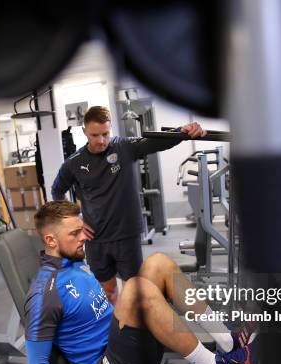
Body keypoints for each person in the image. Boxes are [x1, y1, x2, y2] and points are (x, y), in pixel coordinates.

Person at [25, 201, 258, 364]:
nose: (83, 237)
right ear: (51, 240)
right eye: (74, 233)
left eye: (81, 230)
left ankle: (228, 341)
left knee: (158, 263)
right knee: (139, 289)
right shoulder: (43, 295)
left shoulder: (73, 265)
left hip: (124, 352)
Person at [51, 106, 206, 305]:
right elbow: (57, 190)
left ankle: (132, 331)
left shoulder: (123, 148)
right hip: (96, 239)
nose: (100, 141)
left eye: (105, 134)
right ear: (84, 132)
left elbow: (155, 142)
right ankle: (114, 331)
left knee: (133, 291)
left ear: (111, 129)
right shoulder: (73, 163)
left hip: (127, 235)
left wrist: (184, 132)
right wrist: (74, 221)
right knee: (107, 291)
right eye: (94, 135)